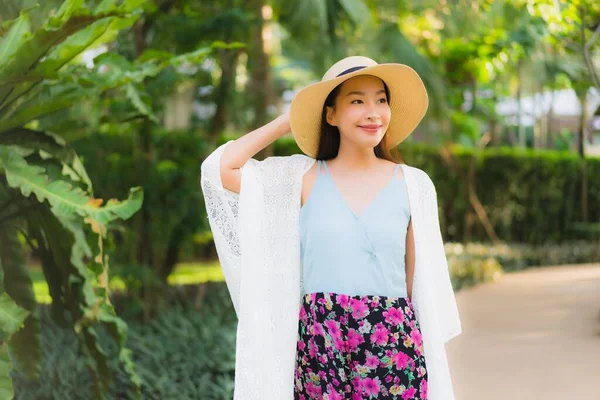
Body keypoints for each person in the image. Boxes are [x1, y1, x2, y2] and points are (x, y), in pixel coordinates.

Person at [200, 56, 462, 400]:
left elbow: (418, 284)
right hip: (320, 343)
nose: (373, 112)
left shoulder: (413, 184)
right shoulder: (298, 179)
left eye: (381, 100)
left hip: (392, 343)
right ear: (330, 114)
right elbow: (219, 170)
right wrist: (286, 121)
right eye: (357, 101)